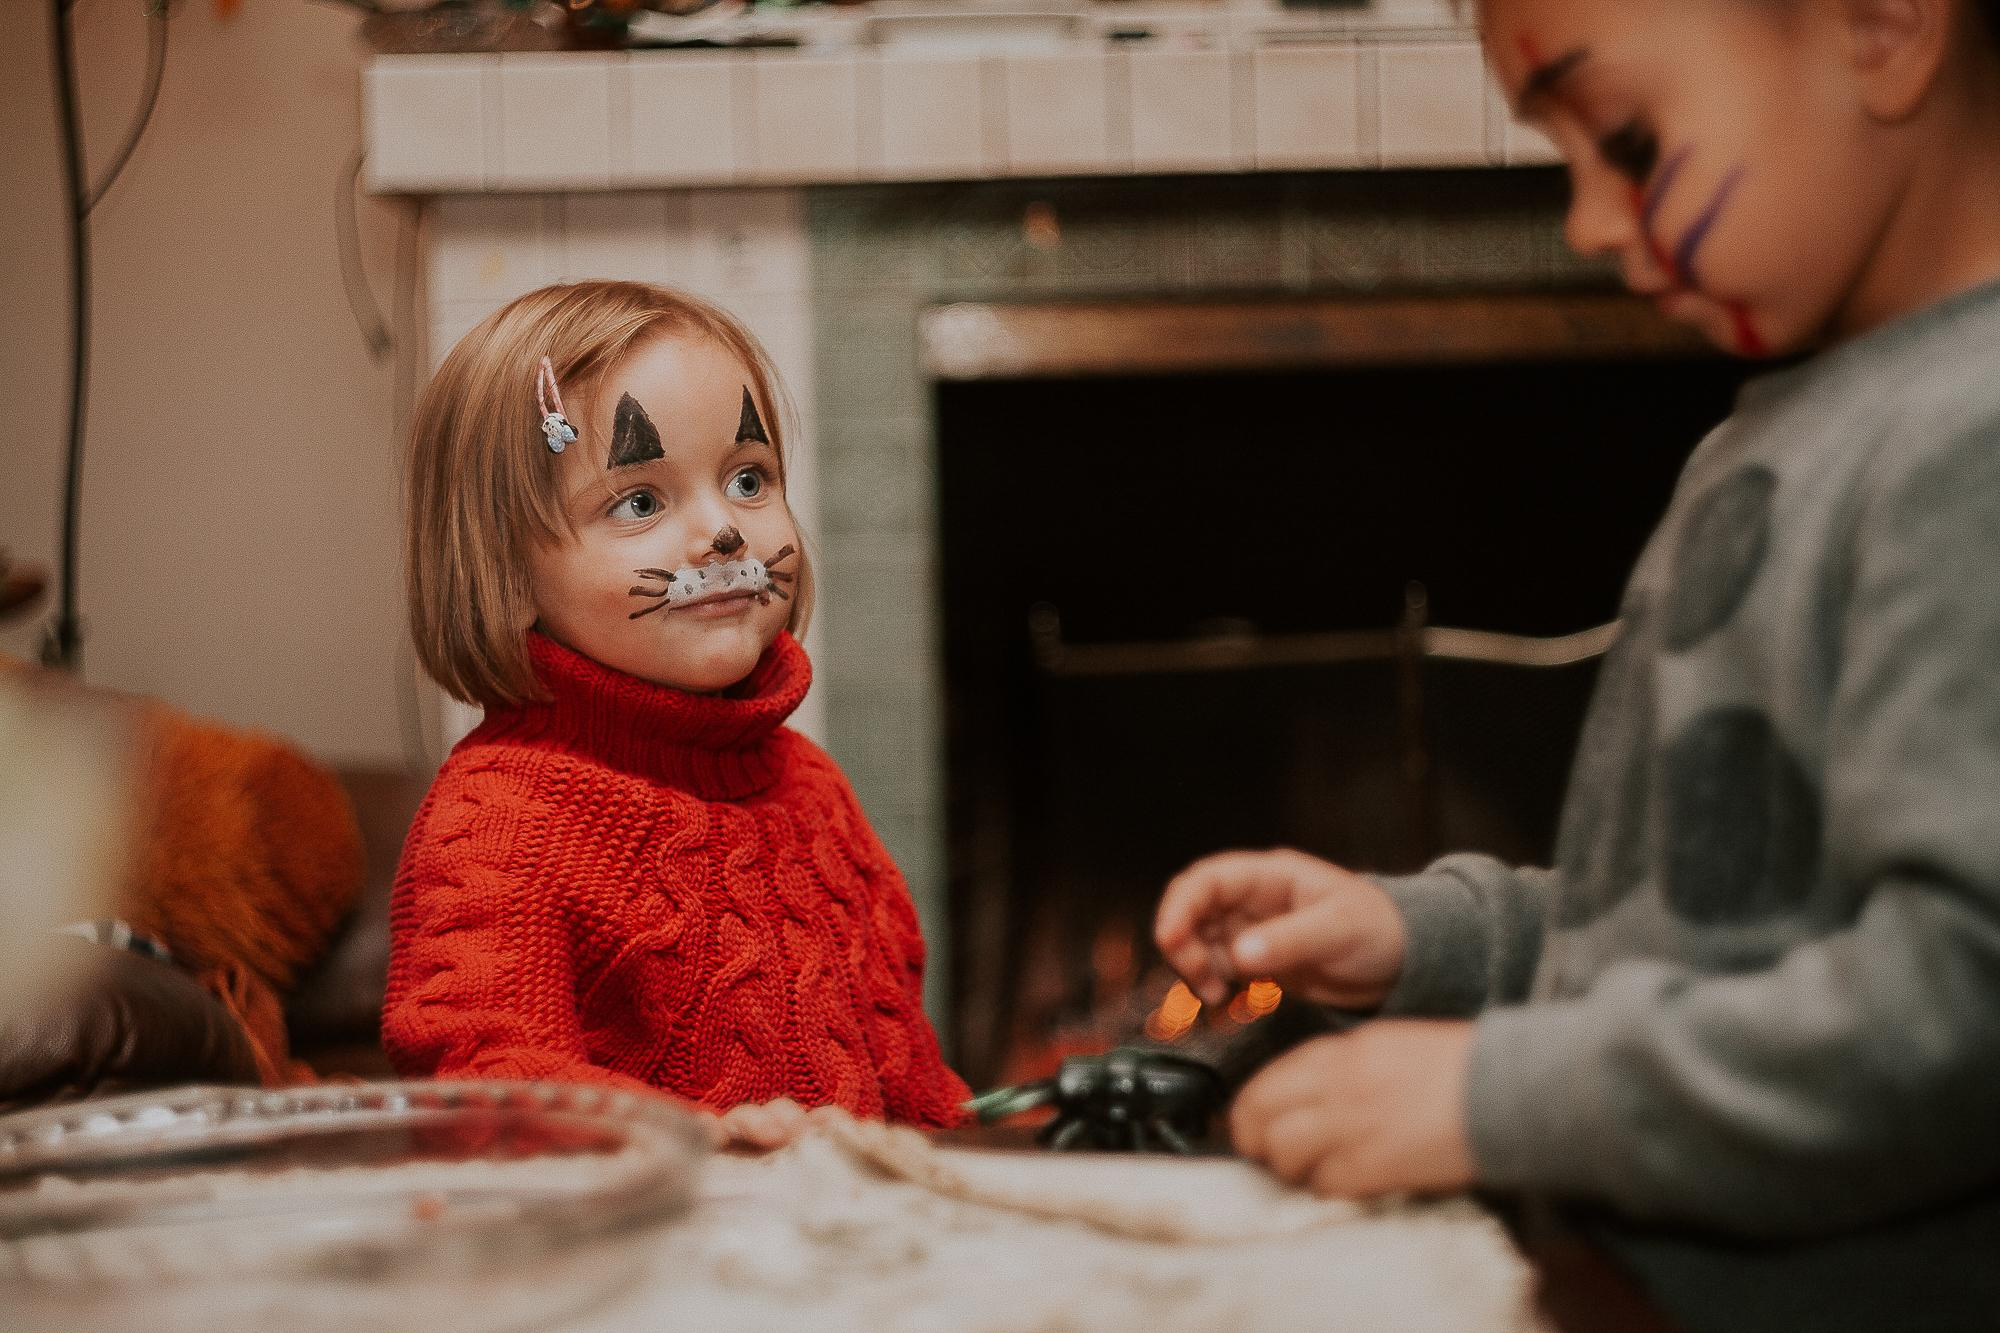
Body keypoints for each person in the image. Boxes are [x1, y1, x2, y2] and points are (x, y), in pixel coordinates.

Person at [1155, 0, 2000, 1326]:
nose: (1591, 223)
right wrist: (1423, 941)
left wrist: (1499, 1096)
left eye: (1626, 141)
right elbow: (1714, 927)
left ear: (1883, 25)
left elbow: (1959, 1012)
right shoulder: (1786, 434)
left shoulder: (1970, 447)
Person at [385, 281, 967, 1145]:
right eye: (641, 502)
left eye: (748, 479)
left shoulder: (815, 789)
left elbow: (912, 1080)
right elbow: (482, 1079)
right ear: (505, 573)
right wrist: (704, 1145)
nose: (724, 532)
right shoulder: (500, 820)